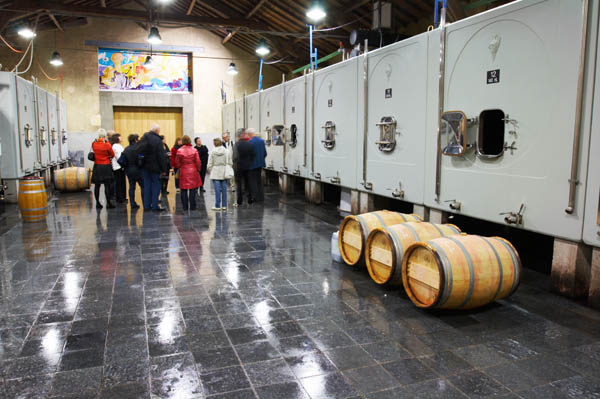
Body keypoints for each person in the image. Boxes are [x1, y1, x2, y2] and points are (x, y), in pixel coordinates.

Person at [138, 124, 168, 211]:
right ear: (157, 131)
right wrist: (164, 169)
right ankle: (155, 205)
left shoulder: (143, 138)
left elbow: (139, 151)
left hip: (144, 167)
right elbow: (160, 156)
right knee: (156, 185)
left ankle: (146, 206)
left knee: (147, 185)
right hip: (155, 167)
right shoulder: (157, 140)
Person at [172, 135, 202, 211]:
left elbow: (177, 163)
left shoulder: (179, 150)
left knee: (183, 189)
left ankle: (185, 207)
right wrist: (198, 169)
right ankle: (193, 206)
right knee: (192, 189)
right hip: (193, 171)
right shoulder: (194, 150)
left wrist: (180, 167)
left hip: (183, 171)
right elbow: (198, 162)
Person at [91, 131, 115, 209]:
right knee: (107, 185)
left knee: (97, 185)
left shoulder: (94, 144)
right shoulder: (107, 144)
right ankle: (108, 203)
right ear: (105, 136)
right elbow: (112, 154)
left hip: (97, 166)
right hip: (106, 166)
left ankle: (98, 203)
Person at [207, 138, 232, 211]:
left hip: (215, 171)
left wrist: (210, 170)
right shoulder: (227, 151)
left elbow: (210, 163)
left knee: (217, 190)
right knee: (224, 189)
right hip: (224, 171)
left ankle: (217, 205)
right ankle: (224, 205)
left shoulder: (212, 152)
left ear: (214, 144)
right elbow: (230, 162)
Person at [232, 129, 254, 206]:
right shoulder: (249, 144)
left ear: (238, 136)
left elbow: (235, 156)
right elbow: (252, 155)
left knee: (239, 184)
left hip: (238, 167)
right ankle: (250, 199)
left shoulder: (236, 145)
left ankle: (239, 200)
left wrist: (234, 164)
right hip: (248, 166)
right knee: (248, 183)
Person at [122, 134, 144, 209]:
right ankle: (145, 203)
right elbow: (141, 159)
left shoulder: (126, 149)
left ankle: (132, 203)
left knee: (131, 187)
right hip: (138, 170)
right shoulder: (139, 149)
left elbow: (122, 160)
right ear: (135, 140)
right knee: (143, 186)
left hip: (129, 170)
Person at [248, 128, 267, 202]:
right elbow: (265, 153)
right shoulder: (262, 141)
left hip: (252, 165)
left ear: (250, 134)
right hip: (260, 164)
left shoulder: (249, 142)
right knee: (259, 181)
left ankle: (255, 197)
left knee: (253, 181)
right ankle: (261, 197)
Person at [109, 133, 126, 203]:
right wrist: (123, 164)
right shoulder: (116, 146)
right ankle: (120, 197)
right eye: (120, 137)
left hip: (118, 166)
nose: (121, 138)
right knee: (119, 183)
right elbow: (119, 157)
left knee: (120, 183)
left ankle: (121, 197)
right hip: (118, 167)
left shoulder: (116, 146)